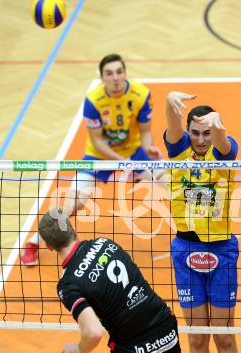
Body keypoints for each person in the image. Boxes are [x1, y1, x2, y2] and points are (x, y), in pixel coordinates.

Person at [22, 53, 163, 265]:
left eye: (119, 72)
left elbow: (145, 131)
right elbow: (98, 142)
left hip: (134, 153)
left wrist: (148, 147)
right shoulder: (94, 100)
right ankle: (33, 241)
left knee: (168, 180)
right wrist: (124, 164)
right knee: (73, 204)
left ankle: (196, 232)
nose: (115, 77)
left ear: (125, 73)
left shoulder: (141, 94)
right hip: (99, 157)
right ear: (102, 77)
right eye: (109, 73)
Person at [38, 209, 183, 353]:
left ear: (48, 246)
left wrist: (79, 350)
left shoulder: (68, 285)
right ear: (73, 230)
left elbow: (94, 331)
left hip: (132, 346)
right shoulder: (106, 243)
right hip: (164, 327)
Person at [164, 91, 239, 353]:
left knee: (223, 337)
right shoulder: (180, 151)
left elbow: (223, 144)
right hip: (185, 249)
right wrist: (170, 101)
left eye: (205, 132)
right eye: (195, 133)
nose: (200, 139)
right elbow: (172, 128)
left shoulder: (225, 150)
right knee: (196, 340)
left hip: (220, 251)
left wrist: (216, 125)